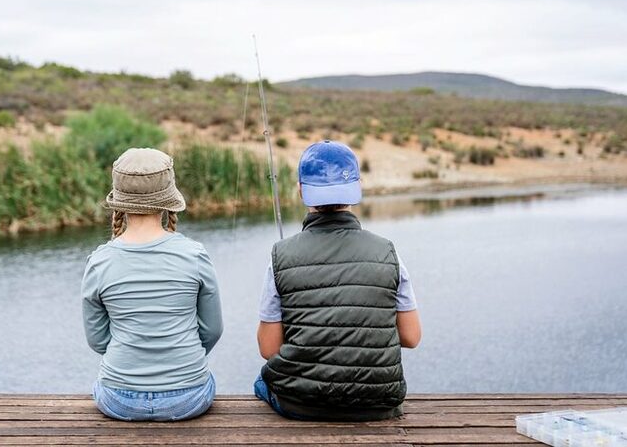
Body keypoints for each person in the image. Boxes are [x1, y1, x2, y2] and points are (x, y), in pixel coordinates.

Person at [254, 140, 422, 421]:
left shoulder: (279, 256)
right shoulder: (389, 253)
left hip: (301, 404)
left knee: (262, 383)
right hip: (379, 403)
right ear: (357, 189)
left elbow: (268, 350)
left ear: (301, 190)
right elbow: (411, 336)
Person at [82, 148, 223, 421]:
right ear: (169, 197)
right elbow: (212, 330)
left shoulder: (99, 261)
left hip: (119, 399)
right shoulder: (195, 255)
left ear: (119, 201)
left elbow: (97, 340)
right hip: (188, 397)